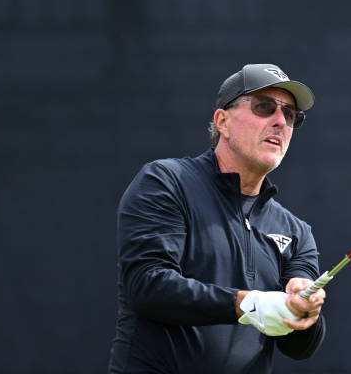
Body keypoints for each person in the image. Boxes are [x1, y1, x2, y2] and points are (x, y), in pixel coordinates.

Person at [109, 64, 327, 374]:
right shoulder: (166, 182)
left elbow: (300, 349)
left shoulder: (296, 232)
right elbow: (147, 286)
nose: (280, 122)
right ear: (222, 121)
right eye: (264, 107)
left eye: (291, 115)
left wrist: (306, 311)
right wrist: (248, 303)